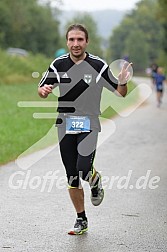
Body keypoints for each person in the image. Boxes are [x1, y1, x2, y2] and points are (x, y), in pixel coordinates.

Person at [38, 24, 131, 235]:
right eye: (72, 40)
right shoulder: (58, 64)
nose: (76, 44)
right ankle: (81, 219)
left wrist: (123, 82)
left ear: (87, 42)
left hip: (89, 122)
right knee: (72, 176)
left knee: (82, 167)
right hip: (65, 124)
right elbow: (42, 88)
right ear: (67, 42)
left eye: (80, 40)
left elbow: (120, 92)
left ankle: (94, 179)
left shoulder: (98, 65)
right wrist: (43, 90)